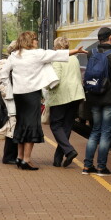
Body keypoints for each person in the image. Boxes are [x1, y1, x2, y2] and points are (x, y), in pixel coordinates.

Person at [0, 31, 87, 170]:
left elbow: (3, 74)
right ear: (29, 41)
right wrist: (76, 50)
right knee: (32, 126)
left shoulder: (14, 56)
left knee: (21, 125)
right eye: (34, 39)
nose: (37, 41)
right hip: (32, 95)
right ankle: (27, 160)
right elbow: (58, 54)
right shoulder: (37, 54)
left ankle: (19, 157)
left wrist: (10, 88)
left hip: (18, 95)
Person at [83, 27, 111, 176]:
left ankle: (87, 166)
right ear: (109, 38)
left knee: (95, 130)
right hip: (110, 100)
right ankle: (101, 168)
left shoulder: (91, 53)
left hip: (94, 97)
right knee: (106, 133)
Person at [46, 36, 85, 168]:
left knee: (55, 125)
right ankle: (58, 159)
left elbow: (54, 79)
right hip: (76, 95)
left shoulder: (57, 59)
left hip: (62, 96)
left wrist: (45, 86)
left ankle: (70, 151)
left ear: (56, 47)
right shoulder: (74, 58)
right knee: (66, 127)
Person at [0, 40, 18, 164]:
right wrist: (8, 94)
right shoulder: (5, 64)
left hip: (15, 98)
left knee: (14, 126)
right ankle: (9, 156)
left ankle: (12, 155)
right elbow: (1, 83)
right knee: (12, 127)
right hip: (10, 99)